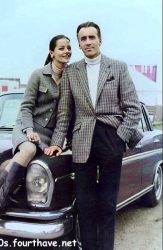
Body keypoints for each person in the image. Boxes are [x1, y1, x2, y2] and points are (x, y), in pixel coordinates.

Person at [44, 22, 143, 250]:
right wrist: (57, 143)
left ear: (100, 39)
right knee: (86, 206)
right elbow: (65, 112)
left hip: (111, 138)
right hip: (81, 142)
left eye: (91, 37)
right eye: (83, 39)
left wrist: (119, 138)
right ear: (78, 43)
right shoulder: (71, 71)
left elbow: (133, 108)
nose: (87, 42)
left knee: (108, 204)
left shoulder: (117, 68)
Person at [0, 34, 72, 229]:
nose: (67, 51)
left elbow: (63, 118)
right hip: (25, 128)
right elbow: (25, 107)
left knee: (16, 161)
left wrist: (57, 143)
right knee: (28, 150)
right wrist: (29, 129)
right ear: (52, 53)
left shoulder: (70, 80)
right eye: (61, 48)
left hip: (47, 136)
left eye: (69, 48)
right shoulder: (38, 75)